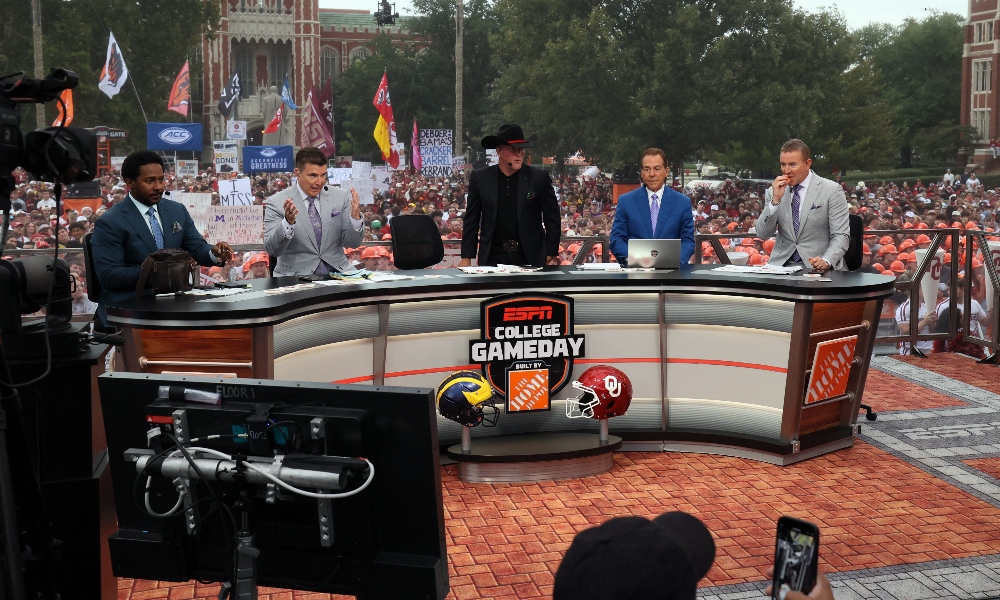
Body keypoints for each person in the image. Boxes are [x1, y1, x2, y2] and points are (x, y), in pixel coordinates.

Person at [90, 151, 233, 331]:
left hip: (174, 302)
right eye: (149, 181)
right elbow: (109, 276)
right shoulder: (110, 222)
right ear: (129, 183)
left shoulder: (176, 211)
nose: (158, 187)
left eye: (161, 179)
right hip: (129, 307)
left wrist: (213, 253)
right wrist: (159, 273)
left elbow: (196, 247)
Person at [459, 124, 560, 267]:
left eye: (521, 149)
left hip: (530, 255)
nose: (519, 153)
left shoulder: (538, 178)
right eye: (513, 149)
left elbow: (552, 217)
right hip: (493, 255)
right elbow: (472, 219)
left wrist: (550, 252)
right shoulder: (481, 178)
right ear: (499, 151)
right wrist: (466, 256)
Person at [263, 147, 363, 276]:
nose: (319, 182)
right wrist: (287, 223)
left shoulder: (340, 196)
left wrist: (355, 219)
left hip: (338, 275)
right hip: (295, 278)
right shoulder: (276, 202)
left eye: (323, 175)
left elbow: (353, 243)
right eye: (313, 175)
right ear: (297, 173)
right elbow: (272, 250)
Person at [756, 139, 850, 272]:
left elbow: (841, 235)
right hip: (782, 266)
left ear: (807, 164)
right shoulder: (775, 190)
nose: (786, 171)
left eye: (792, 165)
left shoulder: (831, 190)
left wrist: (827, 260)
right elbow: (762, 234)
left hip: (819, 265)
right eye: (783, 165)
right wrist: (775, 201)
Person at [609, 148, 695, 264]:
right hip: (635, 272)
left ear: (666, 171)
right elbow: (616, 239)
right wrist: (635, 261)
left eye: (657, 169)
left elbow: (688, 241)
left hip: (671, 273)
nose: (652, 174)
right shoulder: (626, 201)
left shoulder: (682, 202)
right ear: (642, 172)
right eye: (647, 169)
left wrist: (673, 261)